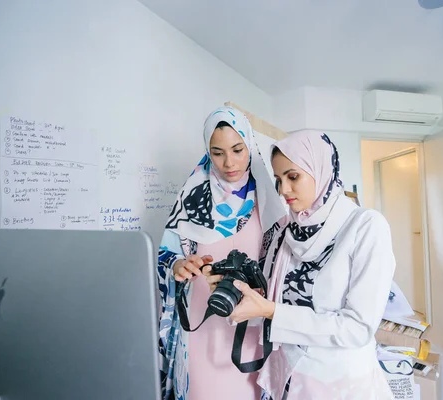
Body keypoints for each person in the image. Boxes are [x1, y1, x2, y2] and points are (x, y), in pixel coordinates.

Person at [227, 131, 396, 400]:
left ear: (322, 170)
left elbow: (357, 329)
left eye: (293, 177)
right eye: (278, 179)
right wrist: (238, 292)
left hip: (338, 383)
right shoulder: (285, 230)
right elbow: (272, 297)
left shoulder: (365, 226)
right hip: (287, 375)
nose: (283, 190)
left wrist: (272, 312)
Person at [157, 106, 286, 400]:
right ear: (207, 151)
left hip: (252, 327)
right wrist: (179, 265)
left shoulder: (273, 201)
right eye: (218, 152)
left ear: (249, 145)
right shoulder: (190, 201)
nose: (230, 162)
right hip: (201, 324)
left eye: (238, 149)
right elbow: (166, 257)